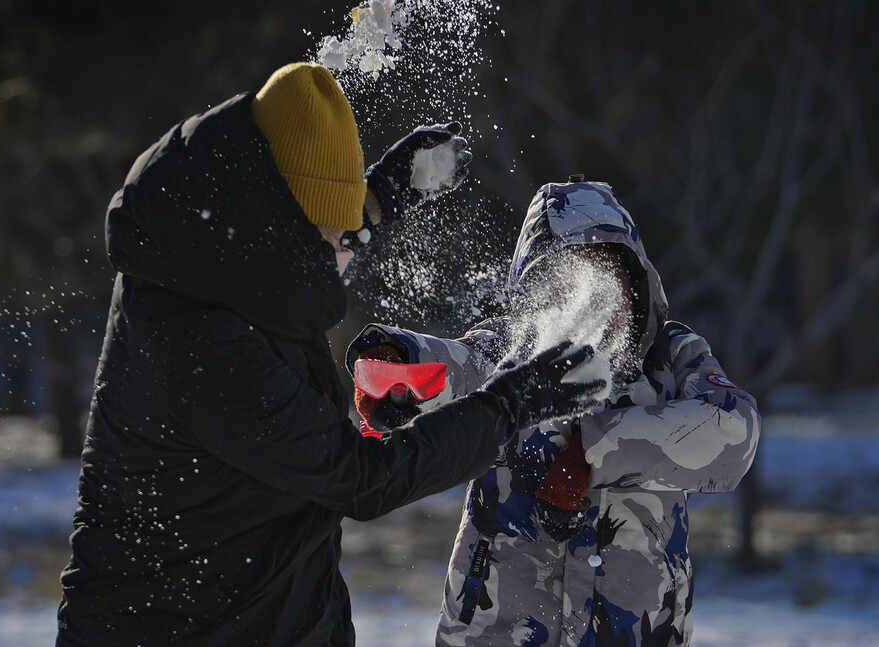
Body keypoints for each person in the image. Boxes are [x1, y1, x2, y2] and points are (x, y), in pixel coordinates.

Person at [55, 63, 606, 646]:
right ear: (278, 225)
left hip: (269, 614)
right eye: (326, 237)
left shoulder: (214, 250)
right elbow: (360, 478)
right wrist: (505, 408)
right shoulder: (200, 345)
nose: (338, 254)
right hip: (179, 629)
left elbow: (295, 231)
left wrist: (374, 200)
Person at [346, 177, 761, 646]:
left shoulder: (669, 357)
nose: (592, 306)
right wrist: (401, 367)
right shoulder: (514, 351)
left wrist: (592, 450)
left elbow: (734, 431)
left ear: (636, 284)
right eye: (565, 284)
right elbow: (456, 366)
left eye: (607, 281)